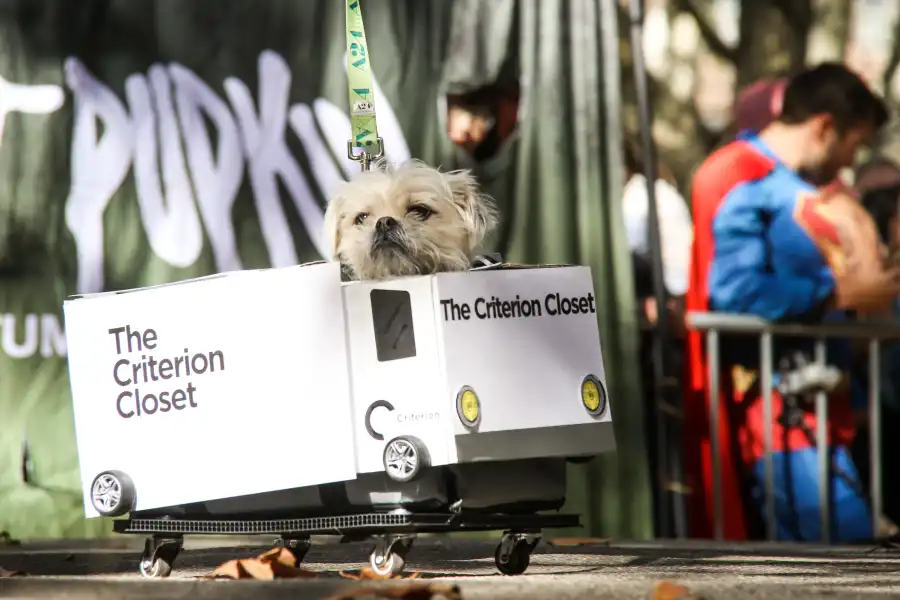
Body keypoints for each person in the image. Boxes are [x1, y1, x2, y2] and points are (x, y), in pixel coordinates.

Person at [684, 62, 898, 542]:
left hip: (819, 412)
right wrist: (837, 293)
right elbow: (735, 293)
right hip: (779, 416)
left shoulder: (787, 186)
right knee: (838, 558)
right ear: (825, 127)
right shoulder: (743, 180)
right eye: (853, 143)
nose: (850, 161)